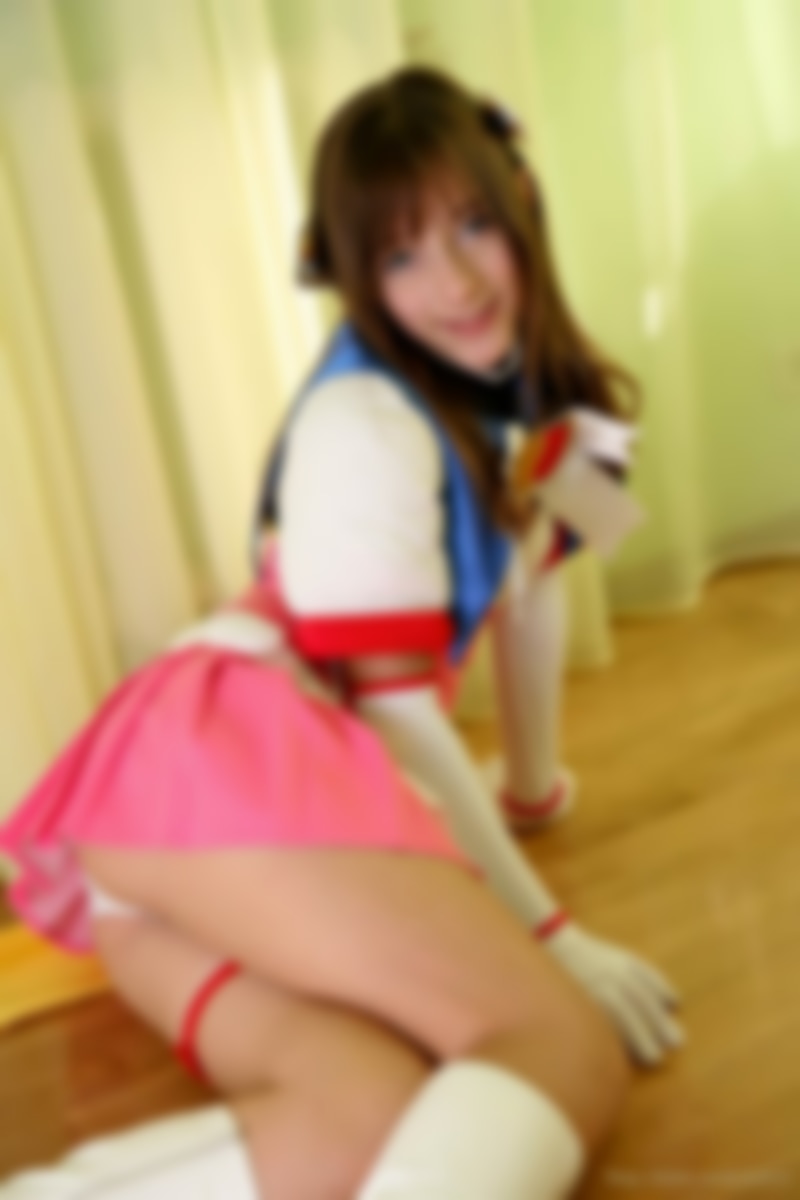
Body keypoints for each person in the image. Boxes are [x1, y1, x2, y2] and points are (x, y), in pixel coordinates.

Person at [0, 67, 684, 1200]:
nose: (454, 281)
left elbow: (532, 594)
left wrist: (533, 792)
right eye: (399, 255)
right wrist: (548, 930)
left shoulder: (564, 400)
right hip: (220, 763)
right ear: (356, 275)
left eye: (472, 225)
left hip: (176, 865)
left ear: (521, 201)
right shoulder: (363, 419)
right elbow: (397, 712)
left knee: (366, 1110)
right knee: (557, 1047)